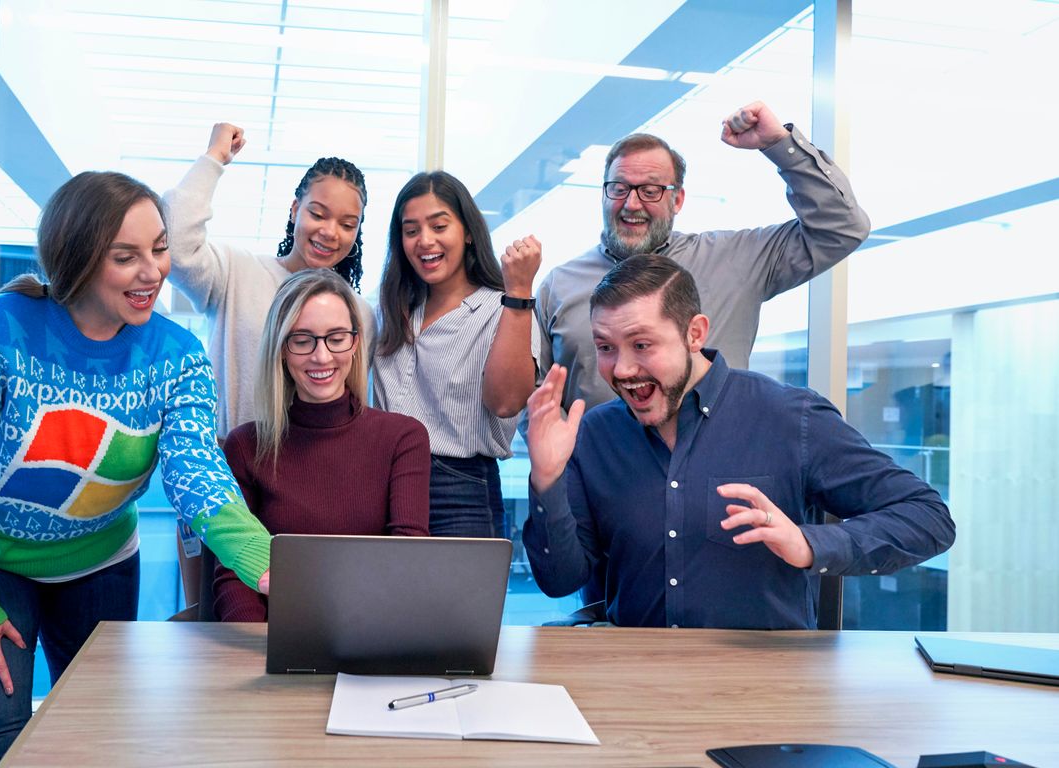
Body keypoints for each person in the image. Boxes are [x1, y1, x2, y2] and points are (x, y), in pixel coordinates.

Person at [0, 171, 273, 767]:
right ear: (77, 259)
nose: (153, 271)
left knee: (100, 738)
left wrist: (262, 558)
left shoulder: (176, 356)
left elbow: (195, 467)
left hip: (98, 560)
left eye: (158, 249)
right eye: (126, 257)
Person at [522, 254, 954, 629]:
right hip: (638, 679)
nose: (621, 369)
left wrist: (809, 544)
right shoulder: (595, 434)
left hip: (765, 689)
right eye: (606, 347)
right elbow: (560, 580)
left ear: (695, 333)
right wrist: (545, 479)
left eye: (641, 344)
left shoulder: (790, 417)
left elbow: (928, 519)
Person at [536, 100, 872, 412]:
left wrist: (779, 145)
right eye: (619, 188)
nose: (632, 204)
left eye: (650, 191)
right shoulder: (560, 285)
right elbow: (536, 397)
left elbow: (841, 228)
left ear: (678, 200)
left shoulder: (737, 260)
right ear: (604, 194)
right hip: (598, 473)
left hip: (717, 470)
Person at [213, 269, 432, 621]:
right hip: (277, 640)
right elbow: (234, 573)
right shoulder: (245, 446)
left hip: (375, 635)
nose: (322, 356)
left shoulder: (403, 439)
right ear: (281, 349)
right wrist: (256, 648)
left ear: (356, 342)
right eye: (302, 340)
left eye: (336, 337)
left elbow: (405, 559)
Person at [162, 122, 375, 435]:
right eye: (317, 214)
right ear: (294, 210)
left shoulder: (359, 313)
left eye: (347, 224)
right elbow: (176, 245)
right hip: (229, 465)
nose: (330, 232)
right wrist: (214, 158)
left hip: (311, 469)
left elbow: (354, 402)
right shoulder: (237, 272)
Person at [371, 171, 541, 538]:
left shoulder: (506, 308)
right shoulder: (389, 309)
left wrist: (519, 292)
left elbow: (508, 402)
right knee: (386, 597)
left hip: (460, 490)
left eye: (439, 225)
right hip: (382, 483)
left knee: (460, 597)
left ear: (467, 232)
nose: (424, 241)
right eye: (411, 230)